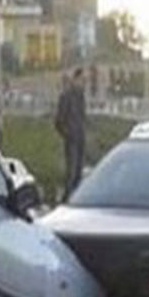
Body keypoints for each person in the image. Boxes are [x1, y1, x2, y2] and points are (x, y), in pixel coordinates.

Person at [55, 67, 87, 199]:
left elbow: (82, 117)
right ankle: (67, 199)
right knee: (71, 172)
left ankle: (76, 197)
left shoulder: (81, 97)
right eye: (82, 80)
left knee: (78, 173)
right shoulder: (66, 96)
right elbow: (58, 121)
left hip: (80, 139)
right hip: (72, 140)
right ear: (75, 79)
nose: (84, 83)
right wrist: (68, 134)